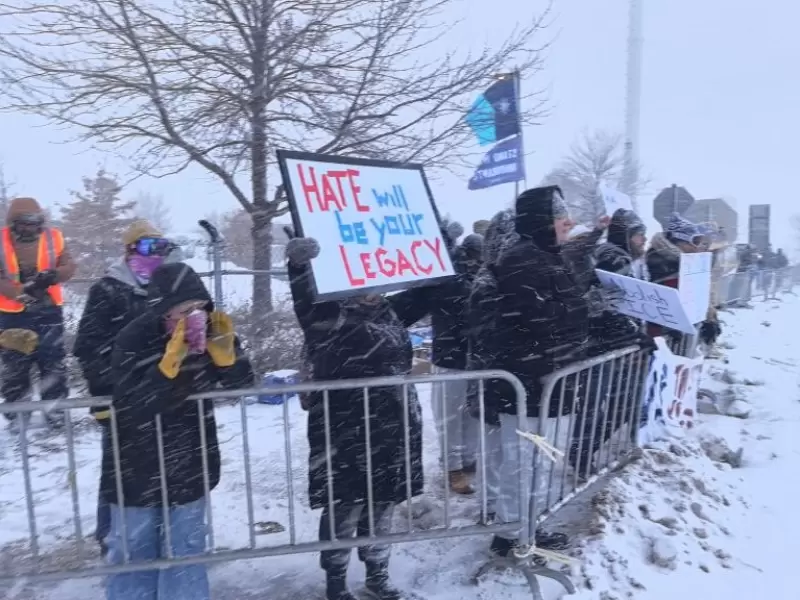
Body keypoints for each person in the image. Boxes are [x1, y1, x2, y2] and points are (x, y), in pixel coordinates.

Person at [285, 222, 460, 600]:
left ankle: (377, 574)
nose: (371, 288)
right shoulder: (328, 314)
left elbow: (431, 288)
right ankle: (336, 582)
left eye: (376, 279)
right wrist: (298, 267)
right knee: (344, 507)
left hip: (391, 427)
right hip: (344, 428)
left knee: (382, 505)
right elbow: (304, 302)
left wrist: (442, 246)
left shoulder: (390, 310)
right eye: (362, 279)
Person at [102, 262, 254, 600]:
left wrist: (229, 358)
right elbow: (131, 406)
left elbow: (243, 383)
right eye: (185, 311)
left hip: (189, 460)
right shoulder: (134, 337)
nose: (195, 316)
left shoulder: (213, 331)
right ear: (163, 310)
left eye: (201, 308)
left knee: (187, 551)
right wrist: (165, 369)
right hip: (135, 464)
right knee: (135, 551)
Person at [485, 186, 589, 557]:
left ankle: (527, 528)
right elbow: (539, 319)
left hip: (549, 382)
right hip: (529, 384)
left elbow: (561, 312)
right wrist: (585, 309)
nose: (569, 222)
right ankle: (513, 536)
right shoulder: (522, 259)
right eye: (561, 216)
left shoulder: (548, 255)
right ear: (541, 220)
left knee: (539, 463)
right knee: (524, 464)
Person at [73, 220, 178, 554]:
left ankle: (157, 536)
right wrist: (106, 395)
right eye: (148, 247)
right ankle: (110, 535)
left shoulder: (167, 288)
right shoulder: (108, 290)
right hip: (123, 399)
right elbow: (88, 347)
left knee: (162, 469)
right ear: (130, 249)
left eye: (162, 247)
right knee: (119, 470)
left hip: (160, 395)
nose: (156, 255)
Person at [0, 197, 76, 430]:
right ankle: (17, 414)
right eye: (24, 222)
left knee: (53, 361)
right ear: (13, 222)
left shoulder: (55, 238)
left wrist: (53, 275)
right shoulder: (1, 240)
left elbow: (69, 266)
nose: (29, 227)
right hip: (13, 313)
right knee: (15, 364)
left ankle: (56, 412)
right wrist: (19, 292)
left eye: (33, 222)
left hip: (48, 310)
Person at [465, 209, 517, 523]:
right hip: (492, 378)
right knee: (495, 449)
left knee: (508, 448)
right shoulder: (488, 280)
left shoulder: (507, 276)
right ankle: (491, 506)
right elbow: (488, 333)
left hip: (506, 377)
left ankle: (503, 505)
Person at [430, 232, 483, 495]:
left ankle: (468, 458)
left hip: (475, 358)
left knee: (473, 414)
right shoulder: (449, 278)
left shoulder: (481, 277)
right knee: (450, 417)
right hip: (450, 357)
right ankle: (452, 467)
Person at [646, 213, 721, 347]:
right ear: (679, 241)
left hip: (682, 333)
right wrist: (672, 322)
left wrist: (710, 318)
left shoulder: (690, 263)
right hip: (659, 335)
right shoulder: (658, 260)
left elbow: (699, 293)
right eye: (695, 241)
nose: (697, 247)